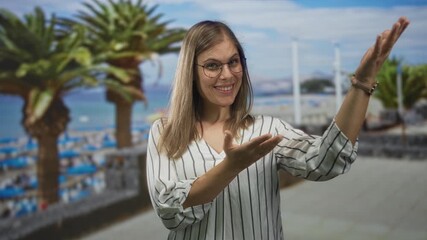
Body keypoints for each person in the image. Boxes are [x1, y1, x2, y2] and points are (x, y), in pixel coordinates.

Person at [146, 17, 410, 240]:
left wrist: (361, 84)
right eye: (212, 65)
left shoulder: (268, 128)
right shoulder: (164, 133)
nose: (227, 75)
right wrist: (230, 167)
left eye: (234, 62)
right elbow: (169, 211)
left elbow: (326, 160)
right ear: (190, 72)